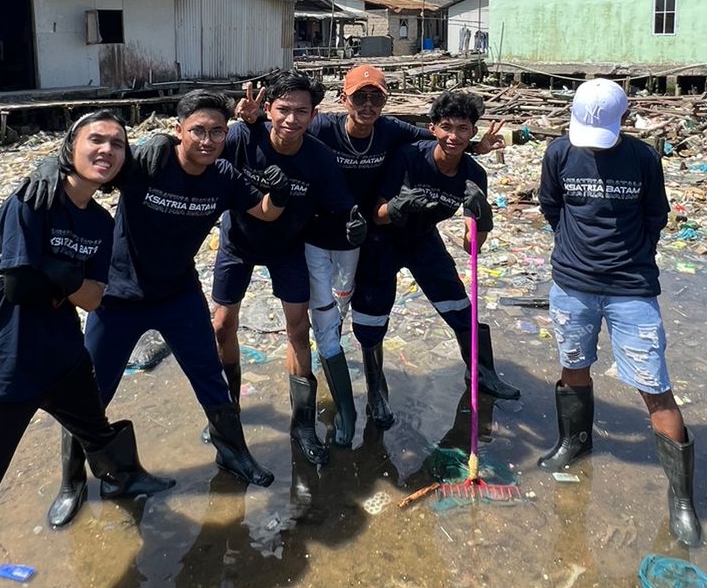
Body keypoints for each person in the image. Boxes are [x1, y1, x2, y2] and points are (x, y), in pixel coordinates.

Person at [0, 111, 174, 588]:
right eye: (96, 140)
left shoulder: (100, 222)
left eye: (117, 144)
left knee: (96, 430)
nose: (106, 150)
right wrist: (66, 280)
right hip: (6, 367)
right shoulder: (30, 202)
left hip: (64, 358)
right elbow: (17, 286)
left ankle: (124, 478)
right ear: (69, 148)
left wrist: (60, 276)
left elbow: (93, 297)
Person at [20, 91, 287, 528]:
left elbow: (265, 212)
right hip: (118, 297)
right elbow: (94, 168)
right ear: (179, 130)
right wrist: (53, 165)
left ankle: (233, 454)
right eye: (197, 130)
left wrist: (279, 193)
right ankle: (72, 481)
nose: (207, 140)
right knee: (89, 392)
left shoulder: (223, 176)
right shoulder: (148, 162)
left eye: (217, 132)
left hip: (178, 295)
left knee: (210, 375)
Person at [239, 65, 504, 448]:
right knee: (350, 318)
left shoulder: (402, 138)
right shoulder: (326, 129)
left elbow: (445, 146)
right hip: (349, 232)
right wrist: (250, 123)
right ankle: (365, 394)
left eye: (375, 97)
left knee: (450, 305)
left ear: (385, 101)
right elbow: (283, 130)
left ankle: (480, 373)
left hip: (391, 237)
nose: (367, 105)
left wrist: (483, 210)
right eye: (359, 97)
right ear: (343, 99)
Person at [537, 78, 701, 547]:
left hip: (631, 288)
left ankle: (682, 498)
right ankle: (574, 442)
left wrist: (629, 257)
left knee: (654, 385)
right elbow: (552, 206)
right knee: (573, 366)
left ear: (624, 120)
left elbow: (655, 216)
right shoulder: (559, 153)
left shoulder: (643, 158)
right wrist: (575, 252)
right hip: (572, 285)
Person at [213, 71, 360, 466]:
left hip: (288, 246)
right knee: (222, 325)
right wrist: (231, 119)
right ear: (268, 109)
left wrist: (354, 221)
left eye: (301, 112)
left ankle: (303, 424)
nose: (291, 119)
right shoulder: (243, 138)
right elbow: (201, 155)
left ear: (314, 115)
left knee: (298, 329)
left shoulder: (318, 157)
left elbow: (341, 204)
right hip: (238, 242)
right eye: (283, 110)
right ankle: (228, 411)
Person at [350, 91, 521, 432]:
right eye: (446, 127)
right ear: (433, 129)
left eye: (462, 128)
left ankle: (481, 374)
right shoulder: (409, 157)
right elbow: (377, 213)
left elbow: (471, 246)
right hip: (383, 241)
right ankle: (376, 392)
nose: (453, 136)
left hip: (423, 240)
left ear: (473, 132)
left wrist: (483, 220)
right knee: (371, 318)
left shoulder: (473, 174)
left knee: (459, 307)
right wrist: (397, 208)